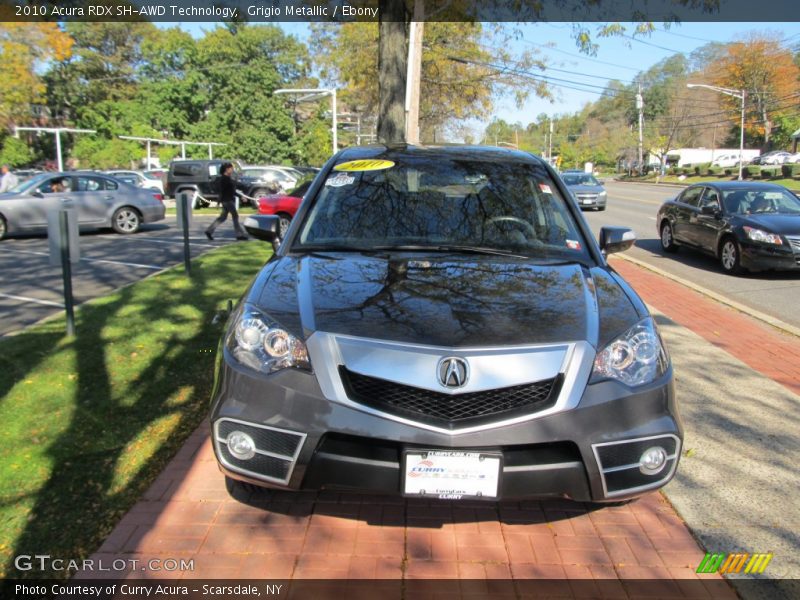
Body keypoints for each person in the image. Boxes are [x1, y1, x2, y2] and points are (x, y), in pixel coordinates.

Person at [205, 162, 247, 241]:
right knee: (235, 216)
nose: (232, 170)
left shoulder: (226, 178)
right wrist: (219, 201)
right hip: (227, 200)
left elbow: (231, 191)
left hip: (226, 200)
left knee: (223, 217)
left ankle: (209, 231)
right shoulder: (225, 179)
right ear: (227, 169)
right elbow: (223, 191)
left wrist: (240, 196)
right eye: (231, 168)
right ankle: (239, 234)